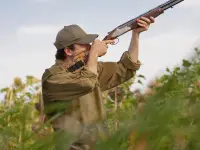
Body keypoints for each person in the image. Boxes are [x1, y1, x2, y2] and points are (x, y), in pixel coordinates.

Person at [41, 16, 155, 150]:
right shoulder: (53, 78)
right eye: (84, 44)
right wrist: (94, 54)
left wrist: (135, 34)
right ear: (68, 51)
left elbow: (126, 68)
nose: (90, 46)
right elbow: (86, 82)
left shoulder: (89, 68)